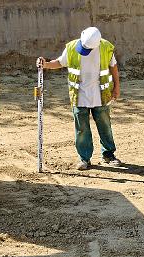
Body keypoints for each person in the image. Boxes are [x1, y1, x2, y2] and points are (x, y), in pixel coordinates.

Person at [37, 26, 121, 170]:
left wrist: (117, 87)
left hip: (100, 95)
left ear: (97, 44)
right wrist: (46, 65)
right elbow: (60, 62)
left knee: (105, 126)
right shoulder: (71, 48)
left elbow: (113, 67)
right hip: (79, 96)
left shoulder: (106, 47)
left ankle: (108, 155)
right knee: (81, 129)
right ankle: (84, 159)